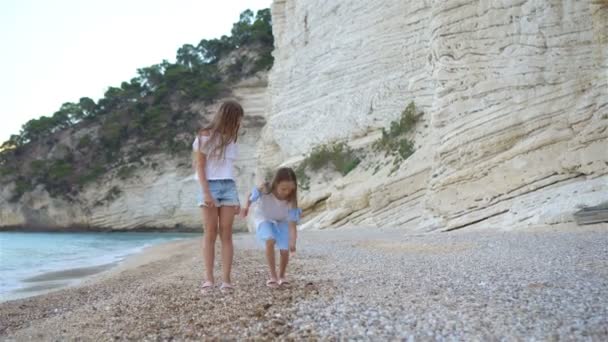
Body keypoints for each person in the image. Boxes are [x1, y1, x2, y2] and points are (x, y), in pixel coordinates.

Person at [241, 167, 302, 288]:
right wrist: (245, 208)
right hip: (263, 218)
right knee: (270, 239)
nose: (286, 192)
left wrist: (293, 242)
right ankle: (273, 276)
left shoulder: (291, 200)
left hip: (281, 221)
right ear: (275, 184)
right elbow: (250, 196)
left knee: (285, 249)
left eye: (290, 189)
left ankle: (282, 276)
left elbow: (292, 225)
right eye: (283, 189)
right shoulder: (265, 189)